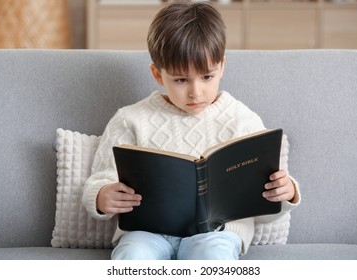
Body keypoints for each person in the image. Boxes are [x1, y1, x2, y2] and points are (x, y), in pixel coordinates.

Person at [82, 0, 300, 260]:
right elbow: (99, 180)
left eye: (207, 77)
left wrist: (286, 192)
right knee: (132, 256)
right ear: (157, 74)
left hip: (217, 233)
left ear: (222, 66)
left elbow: (263, 207)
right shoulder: (130, 119)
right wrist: (101, 197)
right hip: (147, 233)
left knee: (212, 257)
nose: (196, 92)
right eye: (181, 80)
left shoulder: (243, 120)